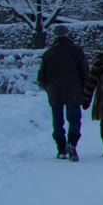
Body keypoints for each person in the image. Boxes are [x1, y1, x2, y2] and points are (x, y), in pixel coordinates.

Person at [36, 27, 90, 161]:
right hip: (74, 91)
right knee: (74, 119)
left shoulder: (48, 53)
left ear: (54, 36)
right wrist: (84, 89)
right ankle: (72, 142)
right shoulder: (77, 51)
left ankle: (61, 149)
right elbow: (85, 72)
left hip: (55, 92)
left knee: (57, 121)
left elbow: (41, 77)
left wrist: (48, 87)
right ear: (68, 34)